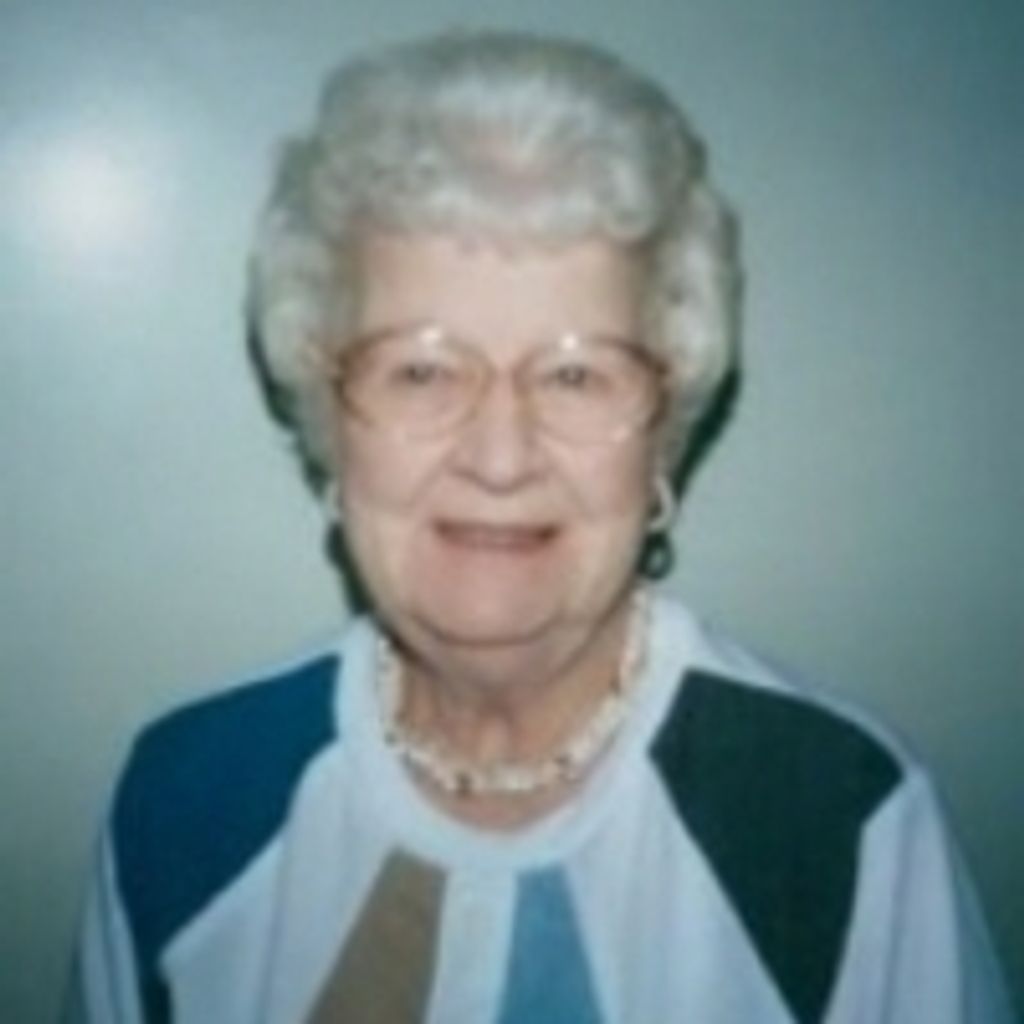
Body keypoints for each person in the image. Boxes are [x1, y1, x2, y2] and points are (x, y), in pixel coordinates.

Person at [67, 30, 1015, 1024]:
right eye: (421, 370)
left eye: (574, 374)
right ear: (327, 417)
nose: (500, 456)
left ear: (663, 431)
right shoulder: (184, 799)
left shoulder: (839, 816)